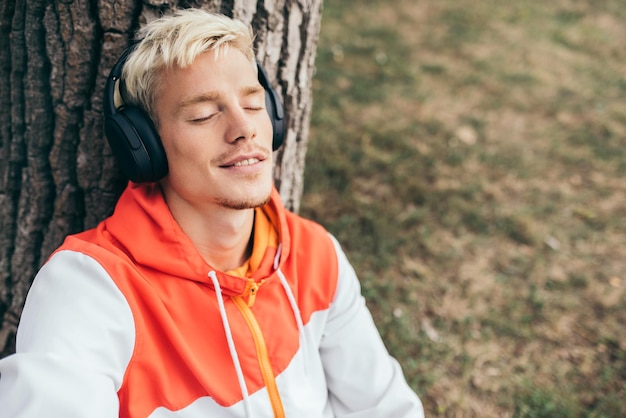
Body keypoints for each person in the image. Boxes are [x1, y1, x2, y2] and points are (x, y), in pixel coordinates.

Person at [0, 8, 424, 418]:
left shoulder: (315, 255)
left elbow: (384, 407)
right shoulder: (90, 289)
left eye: (254, 104)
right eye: (203, 114)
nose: (244, 129)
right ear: (144, 146)